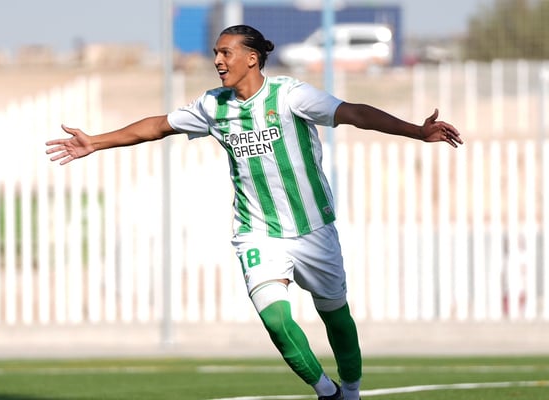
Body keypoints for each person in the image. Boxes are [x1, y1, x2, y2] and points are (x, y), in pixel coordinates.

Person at [46, 25, 462, 400]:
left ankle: (351, 390)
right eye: (216, 52)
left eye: (225, 52)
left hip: (313, 228)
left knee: (336, 317)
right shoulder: (213, 105)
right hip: (257, 231)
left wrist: (416, 131)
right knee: (276, 321)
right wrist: (95, 142)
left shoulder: (290, 95)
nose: (217, 60)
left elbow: (354, 113)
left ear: (251, 58)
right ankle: (327, 392)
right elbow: (158, 126)